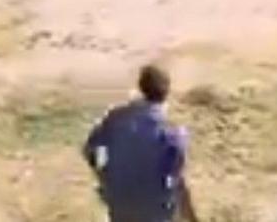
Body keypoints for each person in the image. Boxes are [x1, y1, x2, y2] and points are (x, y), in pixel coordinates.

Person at [82, 64, 198, 222]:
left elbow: (89, 149)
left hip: (120, 206)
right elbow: (178, 181)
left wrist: (104, 178)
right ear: (167, 93)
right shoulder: (171, 133)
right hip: (155, 212)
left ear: (141, 87)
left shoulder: (116, 118)